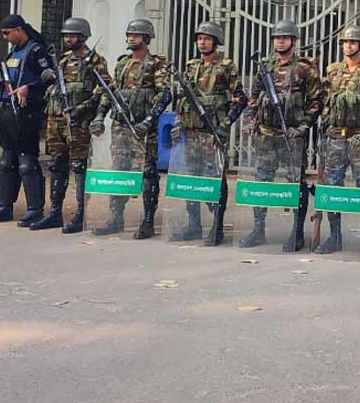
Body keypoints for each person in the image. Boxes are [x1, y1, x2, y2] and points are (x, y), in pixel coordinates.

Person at [238, 19, 322, 251]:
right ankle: (258, 230)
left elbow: (316, 102)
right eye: (277, 38)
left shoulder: (305, 68)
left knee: (296, 184)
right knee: (262, 182)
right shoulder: (265, 66)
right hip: (266, 135)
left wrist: (302, 128)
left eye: (284, 38)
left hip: (291, 137)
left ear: (293, 41)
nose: (280, 41)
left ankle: (297, 233)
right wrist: (250, 121)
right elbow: (254, 97)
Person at [89, 18, 171, 239]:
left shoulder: (155, 64)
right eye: (129, 35)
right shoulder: (122, 63)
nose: (131, 38)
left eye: (136, 35)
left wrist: (149, 120)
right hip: (120, 126)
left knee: (147, 173)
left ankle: (147, 221)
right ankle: (115, 218)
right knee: (119, 170)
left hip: (143, 127)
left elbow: (164, 95)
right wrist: (99, 116)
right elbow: (110, 93)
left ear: (146, 38)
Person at [169, 21, 245, 245]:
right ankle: (194, 225)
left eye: (207, 39)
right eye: (200, 38)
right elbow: (183, 98)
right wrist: (177, 122)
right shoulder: (191, 66)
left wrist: (225, 125)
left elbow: (240, 98)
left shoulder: (226, 66)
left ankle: (216, 226)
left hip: (213, 133)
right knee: (191, 178)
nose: (202, 42)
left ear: (215, 41)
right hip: (191, 131)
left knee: (215, 178)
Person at [314, 25, 360, 258]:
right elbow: (326, 105)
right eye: (345, 42)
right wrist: (324, 134)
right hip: (335, 138)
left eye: (353, 42)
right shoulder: (332, 71)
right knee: (332, 187)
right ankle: (334, 237)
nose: (348, 46)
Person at [33, 18, 109, 233]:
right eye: (66, 35)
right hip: (56, 119)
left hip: (78, 121)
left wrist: (85, 110)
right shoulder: (63, 59)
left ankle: (81, 213)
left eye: (72, 35)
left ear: (83, 37)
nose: (68, 39)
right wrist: (48, 77)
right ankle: (55, 212)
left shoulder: (95, 60)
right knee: (56, 165)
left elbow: (104, 89)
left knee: (79, 167)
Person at [0, 15, 51, 225]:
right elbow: (9, 78)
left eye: (7, 33)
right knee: (6, 161)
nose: (5, 37)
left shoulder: (36, 51)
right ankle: (4, 206)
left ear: (19, 30)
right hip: (8, 110)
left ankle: (35, 208)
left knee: (27, 161)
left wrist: (30, 88)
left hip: (27, 111)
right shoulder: (14, 52)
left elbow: (50, 78)